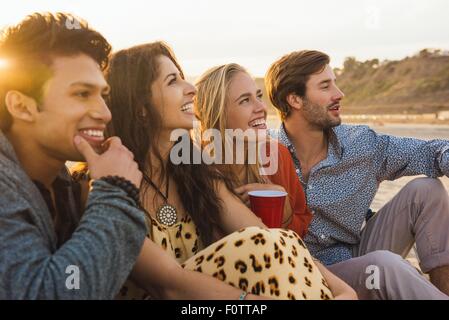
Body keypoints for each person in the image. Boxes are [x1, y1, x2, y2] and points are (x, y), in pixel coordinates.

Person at [100, 41, 357, 300]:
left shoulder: (197, 175)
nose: (190, 89)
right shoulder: (106, 184)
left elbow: (272, 239)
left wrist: (341, 290)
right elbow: (170, 286)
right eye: (172, 82)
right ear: (141, 108)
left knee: (265, 242)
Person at [265, 49, 449, 299]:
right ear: (295, 100)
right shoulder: (264, 156)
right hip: (306, 273)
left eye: (336, 84)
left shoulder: (361, 144)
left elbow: (432, 153)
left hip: (358, 254)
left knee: (427, 190)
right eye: (325, 86)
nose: (339, 94)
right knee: (384, 266)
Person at [0, 13, 147, 299]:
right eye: (82, 94)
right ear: (21, 105)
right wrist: (117, 191)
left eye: (103, 94)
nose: (104, 113)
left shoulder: (60, 180)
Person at [194, 63, 312, 238]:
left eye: (258, 96)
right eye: (245, 100)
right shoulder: (194, 169)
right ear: (217, 113)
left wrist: (285, 212)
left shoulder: (277, 154)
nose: (261, 108)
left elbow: (301, 230)